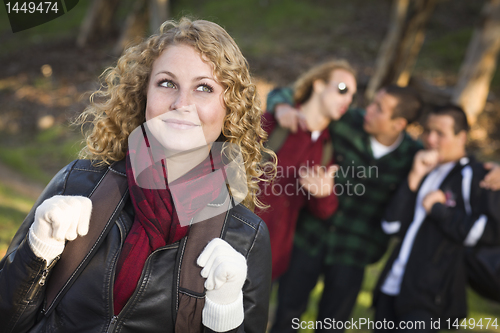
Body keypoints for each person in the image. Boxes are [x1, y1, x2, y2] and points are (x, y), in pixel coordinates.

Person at [0, 18, 275, 333]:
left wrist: (224, 312)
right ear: (144, 95)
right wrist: (38, 250)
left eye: (203, 88)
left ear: (230, 109)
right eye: (167, 83)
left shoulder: (245, 237)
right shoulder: (75, 183)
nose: (181, 104)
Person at [269, 85, 425, 332]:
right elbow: (292, 93)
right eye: (372, 103)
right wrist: (282, 106)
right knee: (287, 316)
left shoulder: (412, 156)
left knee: (333, 325)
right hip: (309, 236)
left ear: (399, 124)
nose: (368, 111)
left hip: (354, 252)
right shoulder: (346, 122)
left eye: (379, 109)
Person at [372, 104, 500, 332]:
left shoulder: (477, 176)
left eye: (440, 133)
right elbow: (390, 226)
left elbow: (486, 233)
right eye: (427, 131)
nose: (431, 140)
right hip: (391, 286)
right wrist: (414, 176)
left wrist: (440, 209)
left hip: (430, 297)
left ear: (461, 137)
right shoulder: (422, 166)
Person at [256, 60, 357, 280]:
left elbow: (325, 210)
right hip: (227, 246)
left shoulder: (326, 148)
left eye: (352, 96)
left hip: (269, 262)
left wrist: (323, 194)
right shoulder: (271, 123)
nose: (348, 99)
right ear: (319, 85)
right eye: (342, 89)